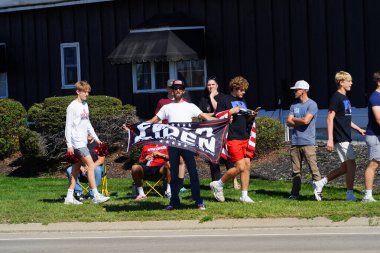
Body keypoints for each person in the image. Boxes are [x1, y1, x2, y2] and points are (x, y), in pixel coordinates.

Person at [147, 79, 216, 210]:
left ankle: (198, 201)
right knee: (173, 173)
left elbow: (206, 117)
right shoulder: (166, 107)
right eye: (175, 88)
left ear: (183, 91)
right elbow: (154, 120)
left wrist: (222, 120)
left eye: (180, 88)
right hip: (172, 144)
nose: (178, 90)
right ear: (172, 91)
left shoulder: (190, 106)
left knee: (193, 172)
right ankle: (174, 202)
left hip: (187, 144)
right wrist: (135, 127)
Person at [314, 71, 365, 201]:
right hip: (340, 137)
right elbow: (330, 118)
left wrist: (358, 129)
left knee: (344, 168)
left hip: (345, 136)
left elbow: (345, 119)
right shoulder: (336, 98)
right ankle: (349, 195)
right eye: (349, 81)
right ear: (341, 82)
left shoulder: (346, 98)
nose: (351, 83)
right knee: (352, 165)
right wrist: (330, 139)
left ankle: (320, 183)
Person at [210, 76, 257, 203]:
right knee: (240, 167)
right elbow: (218, 116)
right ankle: (218, 184)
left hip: (245, 136)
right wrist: (231, 111)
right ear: (235, 88)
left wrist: (250, 116)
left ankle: (244, 195)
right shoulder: (224, 99)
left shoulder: (243, 100)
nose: (243, 92)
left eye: (244, 90)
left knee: (246, 166)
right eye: (241, 90)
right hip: (232, 137)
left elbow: (242, 118)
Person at [64, 80, 110, 205]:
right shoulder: (72, 107)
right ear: (78, 91)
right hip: (77, 143)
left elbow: (88, 124)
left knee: (75, 169)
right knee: (90, 166)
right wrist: (69, 145)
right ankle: (95, 195)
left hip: (83, 142)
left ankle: (69, 197)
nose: (87, 94)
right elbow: (68, 127)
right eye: (84, 92)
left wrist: (96, 139)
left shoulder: (85, 105)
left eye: (88, 92)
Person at [198, 76, 240, 189]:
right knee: (212, 158)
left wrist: (212, 98)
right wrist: (213, 114)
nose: (210, 86)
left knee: (228, 157)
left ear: (217, 85)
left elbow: (219, 112)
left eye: (212, 84)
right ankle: (216, 183)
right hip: (209, 132)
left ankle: (234, 180)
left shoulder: (223, 98)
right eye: (208, 85)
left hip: (223, 131)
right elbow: (201, 114)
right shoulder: (203, 99)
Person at [286, 80, 322, 201]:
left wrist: (295, 120)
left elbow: (306, 121)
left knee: (313, 169)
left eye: (297, 90)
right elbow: (288, 122)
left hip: (308, 142)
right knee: (296, 171)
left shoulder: (312, 104)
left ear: (304, 90)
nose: (295, 92)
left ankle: (318, 192)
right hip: (295, 142)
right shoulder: (293, 105)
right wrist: (300, 119)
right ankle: (295, 193)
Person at [155, 79, 187, 192]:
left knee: (181, 160)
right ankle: (169, 183)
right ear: (168, 89)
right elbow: (158, 119)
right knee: (169, 159)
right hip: (166, 134)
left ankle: (180, 184)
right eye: (171, 87)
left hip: (180, 134)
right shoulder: (162, 102)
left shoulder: (185, 102)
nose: (174, 89)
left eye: (178, 87)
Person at [66, 135, 105, 201]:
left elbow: (101, 160)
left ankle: (92, 194)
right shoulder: (78, 145)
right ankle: (78, 193)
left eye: (90, 132)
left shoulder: (99, 144)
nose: (89, 134)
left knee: (97, 169)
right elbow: (74, 159)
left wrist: (91, 166)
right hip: (80, 170)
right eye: (87, 132)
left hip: (94, 169)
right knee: (69, 170)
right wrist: (80, 167)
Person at [362, 71, 380, 202]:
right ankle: (367, 196)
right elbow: (378, 119)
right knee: (373, 164)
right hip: (374, 136)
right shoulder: (375, 97)